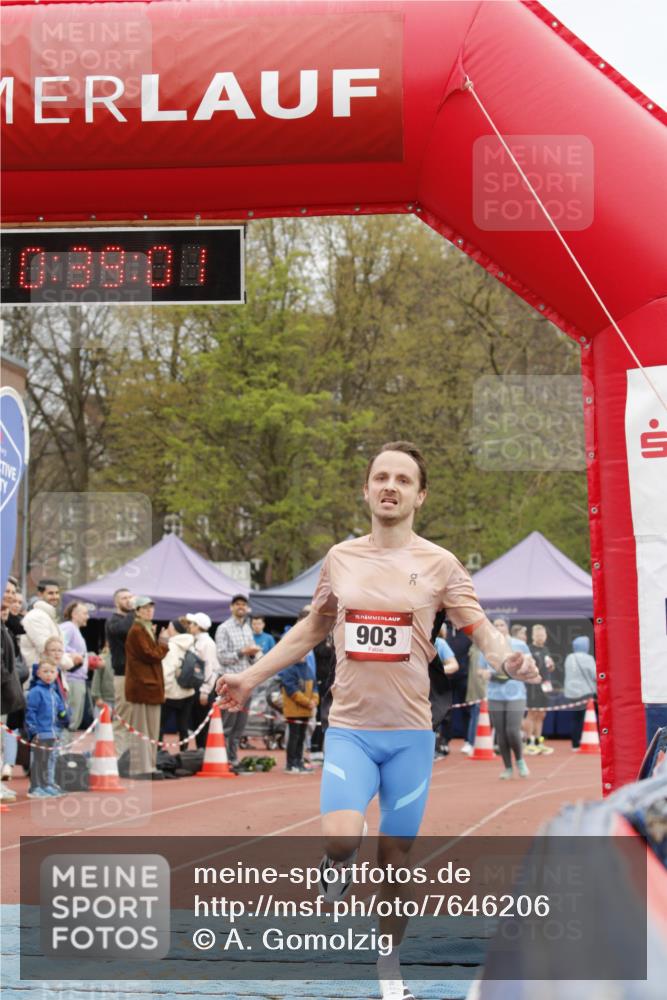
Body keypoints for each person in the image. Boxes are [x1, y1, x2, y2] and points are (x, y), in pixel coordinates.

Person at [217, 441, 539, 1000]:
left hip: (411, 736)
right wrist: (251, 678)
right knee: (342, 841)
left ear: (419, 496)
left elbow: (479, 628)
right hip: (350, 731)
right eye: (381, 477)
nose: (390, 486)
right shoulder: (340, 558)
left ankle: (390, 972)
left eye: (403, 480)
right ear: (366, 490)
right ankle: (334, 862)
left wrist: (506, 655)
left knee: (396, 858)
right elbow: (310, 630)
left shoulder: (440, 564)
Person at [124, 597, 168, 780]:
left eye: (151, 607)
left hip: (150, 687)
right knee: (143, 729)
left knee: (150, 730)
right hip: (142, 687)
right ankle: (141, 767)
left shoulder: (145, 628)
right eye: (145, 608)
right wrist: (164, 643)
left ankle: (149, 765)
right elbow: (151, 655)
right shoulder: (137, 630)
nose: (149, 611)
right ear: (137, 611)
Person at [215, 594, 260, 767]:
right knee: (227, 725)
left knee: (239, 727)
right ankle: (222, 759)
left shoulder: (247, 628)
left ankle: (233, 759)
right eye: (237, 604)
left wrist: (252, 654)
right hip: (230, 684)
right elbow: (221, 657)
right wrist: (243, 652)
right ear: (231, 607)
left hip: (246, 684)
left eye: (243, 604)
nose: (241, 607)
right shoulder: (224, 628)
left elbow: (250, 658)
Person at [483, 619, 530, 779]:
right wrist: (486, 674)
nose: (498, 628)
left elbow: (528, 665)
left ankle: (520, 761)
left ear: (507, 627)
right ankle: (508, 767)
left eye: (501, 624)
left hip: (516, 693)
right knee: (501, 732)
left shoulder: (519, 645)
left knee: (512, 729)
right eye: (495, 625)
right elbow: (479, 670)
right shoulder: (487, 645)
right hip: (495, 694)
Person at [25, 643, 71, 798]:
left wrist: (64, 715)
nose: (48, 675)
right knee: (37, 761)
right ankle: (35, 787)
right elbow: (30, 712)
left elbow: (60, 710)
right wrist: (34, 732)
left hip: (51, 733)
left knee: (46, 761)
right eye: (45, 671)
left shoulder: (54, 693)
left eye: (52, 672)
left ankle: (45, 785)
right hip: (40, 733)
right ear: (38, 673)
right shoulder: (36, 692)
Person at [278, 607, 319, 774]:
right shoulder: (290, 668)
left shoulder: (307, 668)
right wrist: (307, 701)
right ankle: (291, 762)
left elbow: (315, 686)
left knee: (302, 737)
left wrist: (314, 700)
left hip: (306, 710)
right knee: (293, 737)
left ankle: (299, 760)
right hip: (294, 710)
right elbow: (291, 688)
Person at [1, 580, 25, 803]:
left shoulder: (6, 624)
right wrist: (7, 683)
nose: (9, 596)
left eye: (13, 592)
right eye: (6, 591)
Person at [105, 588, 136, 754]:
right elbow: (124, 630)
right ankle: (116, 757)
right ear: (117, 602)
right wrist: (133, 609)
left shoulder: (134, 619)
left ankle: (129, 756)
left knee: (134, 719)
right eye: (125, 598)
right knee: (122, 718)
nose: (129, 600)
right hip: (122, 674)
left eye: (130, 597)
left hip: (136, 675)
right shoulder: (113, 621)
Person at [160, 618, 196, 748]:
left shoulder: (171, 646)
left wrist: (164, 690)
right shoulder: (192, 643)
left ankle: (157, 755)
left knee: (161, 726)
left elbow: (167, 671)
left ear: (174, 629)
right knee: (183, 727)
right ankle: (184, 757)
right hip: (189, 691)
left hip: (171, 693)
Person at [187, 613, 220, 749]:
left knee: (203, 725)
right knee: (197, 724)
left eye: (192, 623)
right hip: (196, 688)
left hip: (203, 689)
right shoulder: (196, 641)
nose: (189, 626)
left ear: (198, 626)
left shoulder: (207, 643)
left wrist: (205, 690)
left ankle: (204, 756)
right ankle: (201, 754)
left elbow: (211, 669)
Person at [60, 601, 90, 732]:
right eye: (85, 613)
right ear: (74, 614)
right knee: (70, 721)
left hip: (78, 678)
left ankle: (66, 749)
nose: (87, 616)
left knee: (74, 721)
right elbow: (59, 643)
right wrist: (74, 655)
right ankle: (63, 750)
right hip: (72, 679)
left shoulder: (75, 630)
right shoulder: (69, 627)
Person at [525, 623, 556, 755]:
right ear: (533, 636)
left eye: (543, 634)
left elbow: (550, 667)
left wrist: (552, 666)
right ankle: (528, 743)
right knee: (532, 714)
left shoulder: (546, 650)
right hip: (533, 686)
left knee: (541, 714)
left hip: (545, 686)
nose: (541, 637)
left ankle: (538, 742)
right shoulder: (529, 649)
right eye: (538, 634)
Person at [563, 635, 598, 750]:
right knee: (588, 718)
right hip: (585, 692)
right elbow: (595, 675)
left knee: (575, 718)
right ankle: (590, 740)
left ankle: (575, 744)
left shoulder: (569, 657)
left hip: (571, 693)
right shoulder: (588, 658)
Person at [433, 626, 458, 758]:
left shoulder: (439, 643)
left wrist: (435, 670)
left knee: (437, 719)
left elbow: (454, 665)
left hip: (434, 690)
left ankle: (439, 746)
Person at [91, 641, 115, 717]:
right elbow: (96, 679)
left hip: (119, 700)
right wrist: (97, 697)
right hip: (104, 700)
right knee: (101, 727)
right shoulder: (102, 658)